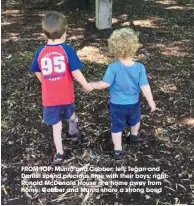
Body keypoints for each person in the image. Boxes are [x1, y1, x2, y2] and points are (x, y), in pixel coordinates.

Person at [30, 11, 92, 165]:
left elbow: (37, 71)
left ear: (45, 34)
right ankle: (73, 133)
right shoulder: (67, 50)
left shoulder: (40, 51)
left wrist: (45, 82)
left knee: (56, 126)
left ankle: (59, 153)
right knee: (71, 115)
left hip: (49, 98)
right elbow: (76, 72)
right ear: (65, 34)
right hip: (66, 95)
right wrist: (87, 85)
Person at [88, 28, 156, 160]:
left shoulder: (113, 67)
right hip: (134, 103)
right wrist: (151, 101)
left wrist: (91, 85)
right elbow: (145, 86)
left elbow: (105, 83)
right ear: (134, 47)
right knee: (135, 120)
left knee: (117, 126)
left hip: (117, 105)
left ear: (114, 48)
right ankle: (134, 137)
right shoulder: (139, 67)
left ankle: (118, 150)